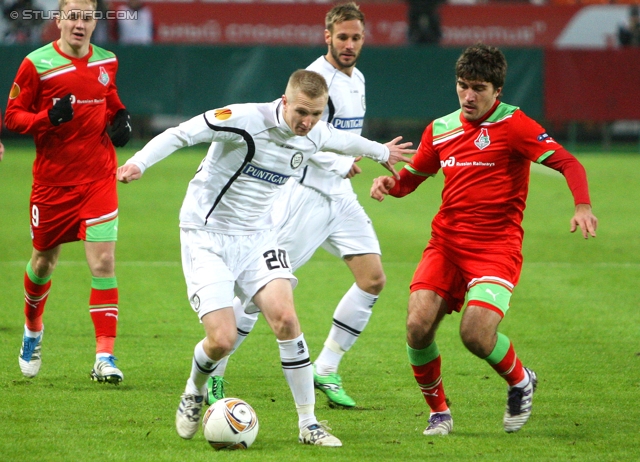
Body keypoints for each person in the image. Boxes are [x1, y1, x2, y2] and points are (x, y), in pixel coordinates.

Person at [116, 69, 413, 446]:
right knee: (221, 340)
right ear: (284, 101)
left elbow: (345, 141)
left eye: (316, 114)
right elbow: (183, 133)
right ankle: (194, 389)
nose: (308, 122)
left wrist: (383, 151)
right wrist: (139, 162)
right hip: (207, 236)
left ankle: (309, 424)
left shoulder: (315, 132)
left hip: (259, 237)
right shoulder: (244, 120)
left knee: (287, 320)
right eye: (301, 112)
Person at [370, 43, 598, 436]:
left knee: (475, 334)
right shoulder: (440, 129)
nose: (468, 96)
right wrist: (390, 184)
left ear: (497, 91)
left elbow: (567, 161)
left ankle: (520, 380)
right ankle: (439, 411)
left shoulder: (517, 126)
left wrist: (582, 206)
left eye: (478, 88)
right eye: (462, 86)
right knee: (417, 325)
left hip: (496, 248)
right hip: (446, 245)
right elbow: (412, 180)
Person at [204, 1, 382, 410]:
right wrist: (341, 162)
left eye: (356, 37)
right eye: (342, 37)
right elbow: (299, 137)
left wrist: (353, 163)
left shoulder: (358, 79)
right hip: (305, 198)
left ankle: (327, 367)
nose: (350, 44)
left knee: (372, 278)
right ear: (327, 37)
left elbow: (345, 135)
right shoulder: (317, 78)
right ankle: (216, 372)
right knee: (256, 294)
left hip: (340, 196)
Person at [4, 0, 132, 384]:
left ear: (95, 23)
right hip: (52, 184)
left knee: (104, 263)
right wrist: (47, 118)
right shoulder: (36, 63)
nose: (79, 23)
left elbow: (110, 100)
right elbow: (11, 116)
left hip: (97, 178)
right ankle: (32, 328)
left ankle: (104, 357)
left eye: (86, 17)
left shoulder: (107, 61)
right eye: (72, 16)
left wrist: (120, 116)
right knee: (43, 262)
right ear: (59, 20)